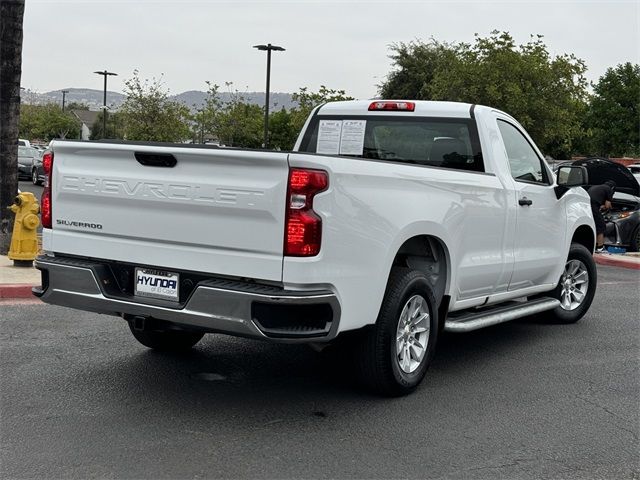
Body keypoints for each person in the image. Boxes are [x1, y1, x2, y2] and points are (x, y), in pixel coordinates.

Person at [588, 180, 616, 253]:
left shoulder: (596, 187)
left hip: (586, 206)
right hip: (593, 206)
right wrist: (609, 207)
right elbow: (607, 206)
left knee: (593, 226)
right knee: (601, 226)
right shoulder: (609, 189)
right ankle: (600, 248)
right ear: (612, 187)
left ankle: (594, 246)